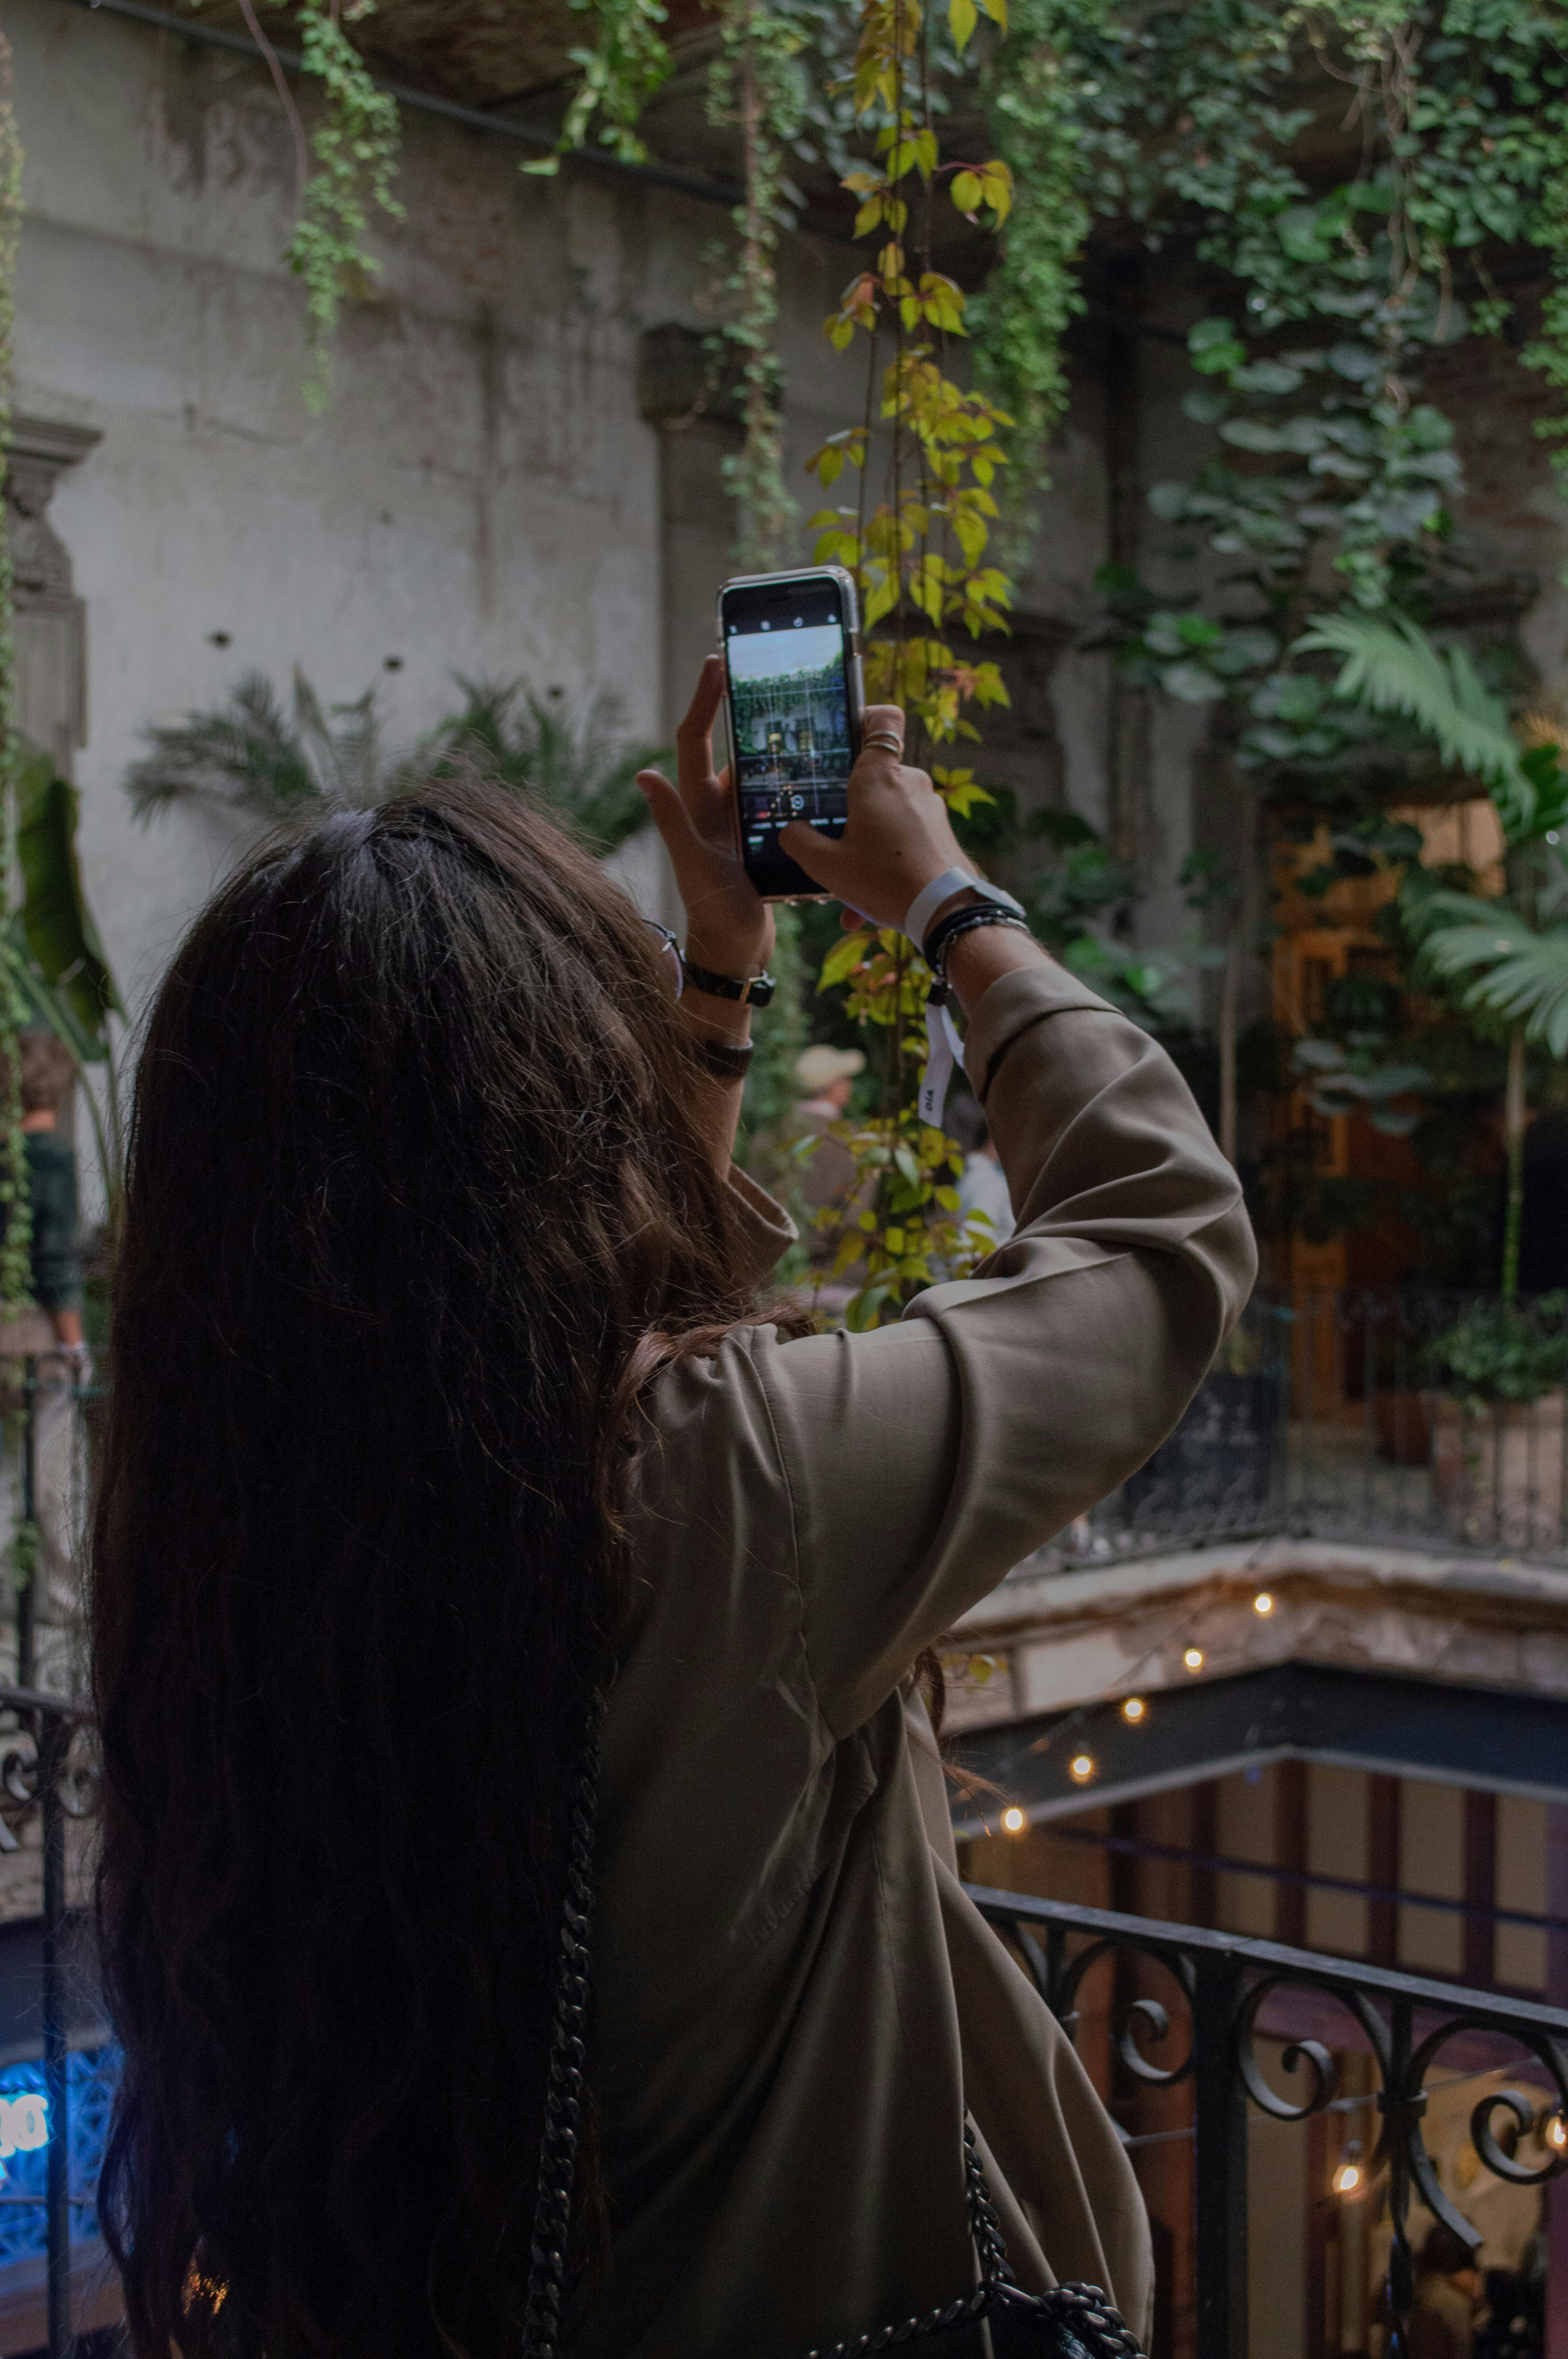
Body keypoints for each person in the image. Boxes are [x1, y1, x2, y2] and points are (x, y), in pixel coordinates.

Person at [91, 660, 1255, 2359]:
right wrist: (943, 898)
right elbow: (1163, 1239)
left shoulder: (245, 1506)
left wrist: (718, 987)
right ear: (558, 1092)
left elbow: (567, 1329)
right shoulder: (727, 1482)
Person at [0, 1028, 88, 1686]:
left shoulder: (4, 1160)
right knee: (53, 1472)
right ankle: (62, 1604)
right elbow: (56, 1263)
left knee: (8, 1472)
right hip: (38, 1349)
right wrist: (77, 1343)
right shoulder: (51, 1163)